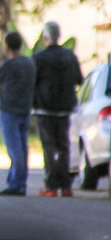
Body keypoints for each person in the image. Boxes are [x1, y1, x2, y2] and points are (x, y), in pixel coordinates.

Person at [32, 21, 83, 197]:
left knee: (49, 147)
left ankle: (51, 185)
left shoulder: (38, 58)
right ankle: (66, 185)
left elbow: (33, 82)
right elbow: (78, 79)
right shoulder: (70, 56)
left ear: (45, 38)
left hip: (44, 109)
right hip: (64, 108)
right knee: (63, 146)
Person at [0, 31, 36, 196]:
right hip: (24, 108)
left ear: (7, 45)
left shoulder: (10, 65)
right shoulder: (29, 63)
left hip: (9, 109)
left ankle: (17, 184)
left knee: (14, 148)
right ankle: (16, 180)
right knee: (22, 147)